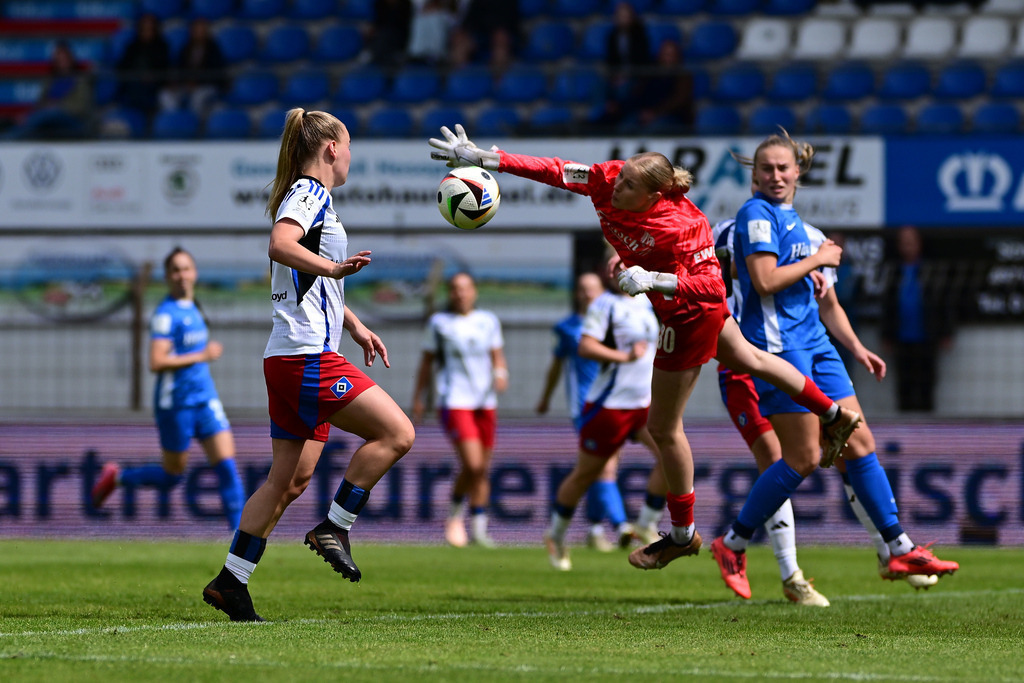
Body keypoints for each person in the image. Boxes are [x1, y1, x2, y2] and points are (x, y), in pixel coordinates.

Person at [428, 124, 860, 575]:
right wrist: (485, 158)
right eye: (620, 175)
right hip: (677, 310)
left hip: (688, 315)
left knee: (665, 429)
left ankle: (680, 534)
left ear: (653, 196)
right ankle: (833, 414)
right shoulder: (605, 178)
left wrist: (653, 279)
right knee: (752, 359)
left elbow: (713, 287)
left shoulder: (683, 224)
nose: (616, 184)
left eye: (629, 184)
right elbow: (554, 170)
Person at [708, 130, 958, 600]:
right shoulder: (754, 215)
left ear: (798, 172)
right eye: (766, 169)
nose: (776, 175)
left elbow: (829, 306)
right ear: (754, 177)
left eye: (783, 168)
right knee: (802, 457)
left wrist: (858, 348)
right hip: (780, 349)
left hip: (818, 345)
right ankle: (733, 542)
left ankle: (897, 546)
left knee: (860, 441)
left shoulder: (804, 228)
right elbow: (763, 281)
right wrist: (818, 259)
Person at [201, 109, 415, 622]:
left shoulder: (315, 199)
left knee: (288, 480)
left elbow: (312, 281)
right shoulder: (310, 193)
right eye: (351, 145)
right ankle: (335, 525)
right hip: (306, 358)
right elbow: (281, 243)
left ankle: (231, 581)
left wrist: (355, 323)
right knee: (397, 434)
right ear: (332, 149)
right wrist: (335, 267)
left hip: (289, 356)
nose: (351, 157)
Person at [91, 247, 245, 532]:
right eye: (175, 270)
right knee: (172, 476)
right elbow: (156, 361)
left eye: (186, 269)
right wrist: (202, 355)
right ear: (167, 277)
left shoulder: (195, 306)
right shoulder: (165, 314)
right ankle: (118, 477)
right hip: (175, 403)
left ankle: (241, 545)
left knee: (227, 468)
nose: (182, 275)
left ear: (195, 273)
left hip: (205, 400)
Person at [542, 254, 669, 571]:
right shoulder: (604, 306)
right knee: (585, 475)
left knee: (673, 458)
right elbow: (586, 347)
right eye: (617, 268)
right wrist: (624, 357)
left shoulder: (646, 304)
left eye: (627, 265)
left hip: (643, 404)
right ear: (609, 275)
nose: (623, 272)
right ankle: (556, 534)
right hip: (609, 406)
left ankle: (646, 522)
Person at [412, 272, 508, 548]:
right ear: (449, 293)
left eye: (465, 288)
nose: (460, 293)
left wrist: (501, 373)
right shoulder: (440, 323)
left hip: (485, 402)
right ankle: (454, 517)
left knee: (482, 469)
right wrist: (419, 398)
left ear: (474, 292)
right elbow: (426, 364)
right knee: (473, 464)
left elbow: (497, 356)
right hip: (454, 400)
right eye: (455, 289)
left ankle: (479, 529)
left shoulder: (488, 321)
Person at [880, 225, 954, 412]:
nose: (908, 247)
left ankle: (926, 431)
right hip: (901, 339)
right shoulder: (893, 271)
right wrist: (886, 335)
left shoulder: (931, 270)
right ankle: (905, 428)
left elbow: (943, 302)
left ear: (919, 244)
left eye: (911, 242)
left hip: (927, 338)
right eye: (904, 242)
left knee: (926, 385)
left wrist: (946, 332)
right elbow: (887, 306)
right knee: (904, 386)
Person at [4, 40, 94, 140]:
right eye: (59, 58)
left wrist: (58, 106)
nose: (62, 61)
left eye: (64, 58)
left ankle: (9, 137)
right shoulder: (50, 80)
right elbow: (40, 104)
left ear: (70, 59)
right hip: (47, 117)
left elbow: (81, 107)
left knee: (50, 114)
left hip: (72, 119)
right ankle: (12, 132)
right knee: (38, 123)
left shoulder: (80, 80)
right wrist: (30, 115)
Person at [159, 17, 226, 116]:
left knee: (197, 97)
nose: (199, 33)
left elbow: (215, 72)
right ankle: (176, 120)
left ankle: (195, 125)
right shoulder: (186, 48)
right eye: (196, 30)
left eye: (202, 30)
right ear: (192, 32)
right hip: (186, 85)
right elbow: (180, 68)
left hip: (207, 85)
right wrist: (177, 83)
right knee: (165, 94)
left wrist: (197, 83)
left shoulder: (214, 49)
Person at [115, 12, 170, 114]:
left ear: (155, 29)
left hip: (154, 83)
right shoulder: (132, 46)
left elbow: (164, 67)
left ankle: (148, 114)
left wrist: (152, 76)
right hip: (133, 82)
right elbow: (122, 66)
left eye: (150, 29)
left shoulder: (162, 46)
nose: (147, 32)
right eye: (144, 29)